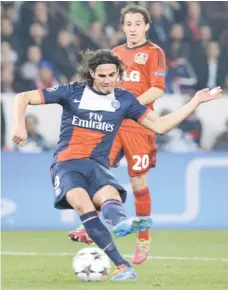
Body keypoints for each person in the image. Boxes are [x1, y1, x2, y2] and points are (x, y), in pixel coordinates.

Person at [12, 49, 222, 280]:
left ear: (118, 74)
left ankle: (123, 227)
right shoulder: (71, 92)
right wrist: (19, 126)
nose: (107, 80)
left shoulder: (124, 100)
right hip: (67, 164)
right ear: (92, 73)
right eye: (102, 76)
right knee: (83, 204)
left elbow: (161, 126)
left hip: (97, 166)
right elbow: (22, 97)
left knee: (109, 197)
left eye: (112, 75)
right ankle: (122, 262)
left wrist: (195, 101)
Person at [69, 4, 167, 265]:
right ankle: (92, 226)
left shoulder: (154, 52)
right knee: (96, 174)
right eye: (129, 24)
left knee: (138, 184)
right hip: (111, 124)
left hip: (138, 125)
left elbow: (157, 90)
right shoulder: (115, 53)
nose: (133, 28)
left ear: (146, 26)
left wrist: (129, 108)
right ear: (123, 27)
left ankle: (143, 237)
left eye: (138, 23)